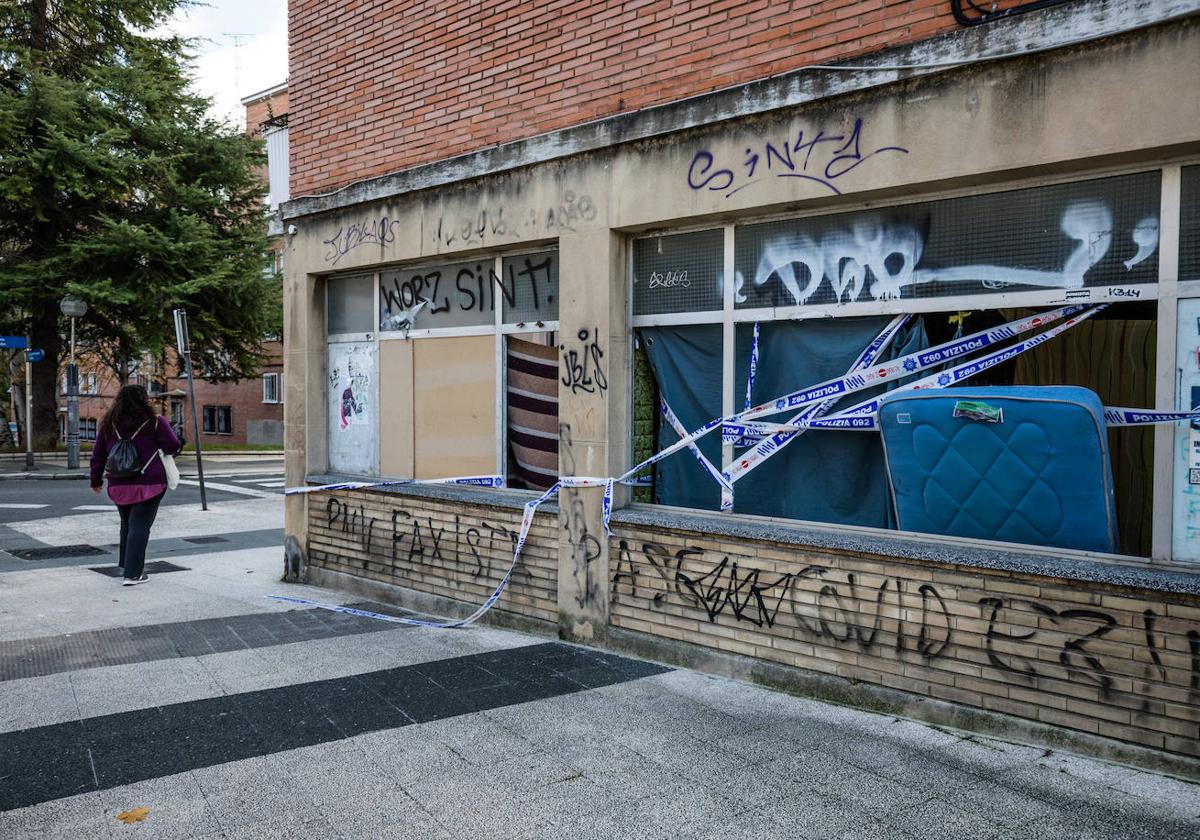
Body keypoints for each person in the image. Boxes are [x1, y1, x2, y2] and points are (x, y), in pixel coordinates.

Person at [89, 385, 183, 586]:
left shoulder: (108, 424)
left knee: (128, 523)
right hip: (149, 482)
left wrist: (95, 481)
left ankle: (126, 563)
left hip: (118, 483)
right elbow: (173, 447)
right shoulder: (155, 422)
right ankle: (133, 574)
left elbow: (98, 455)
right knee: (140, 526)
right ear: (144, 400)